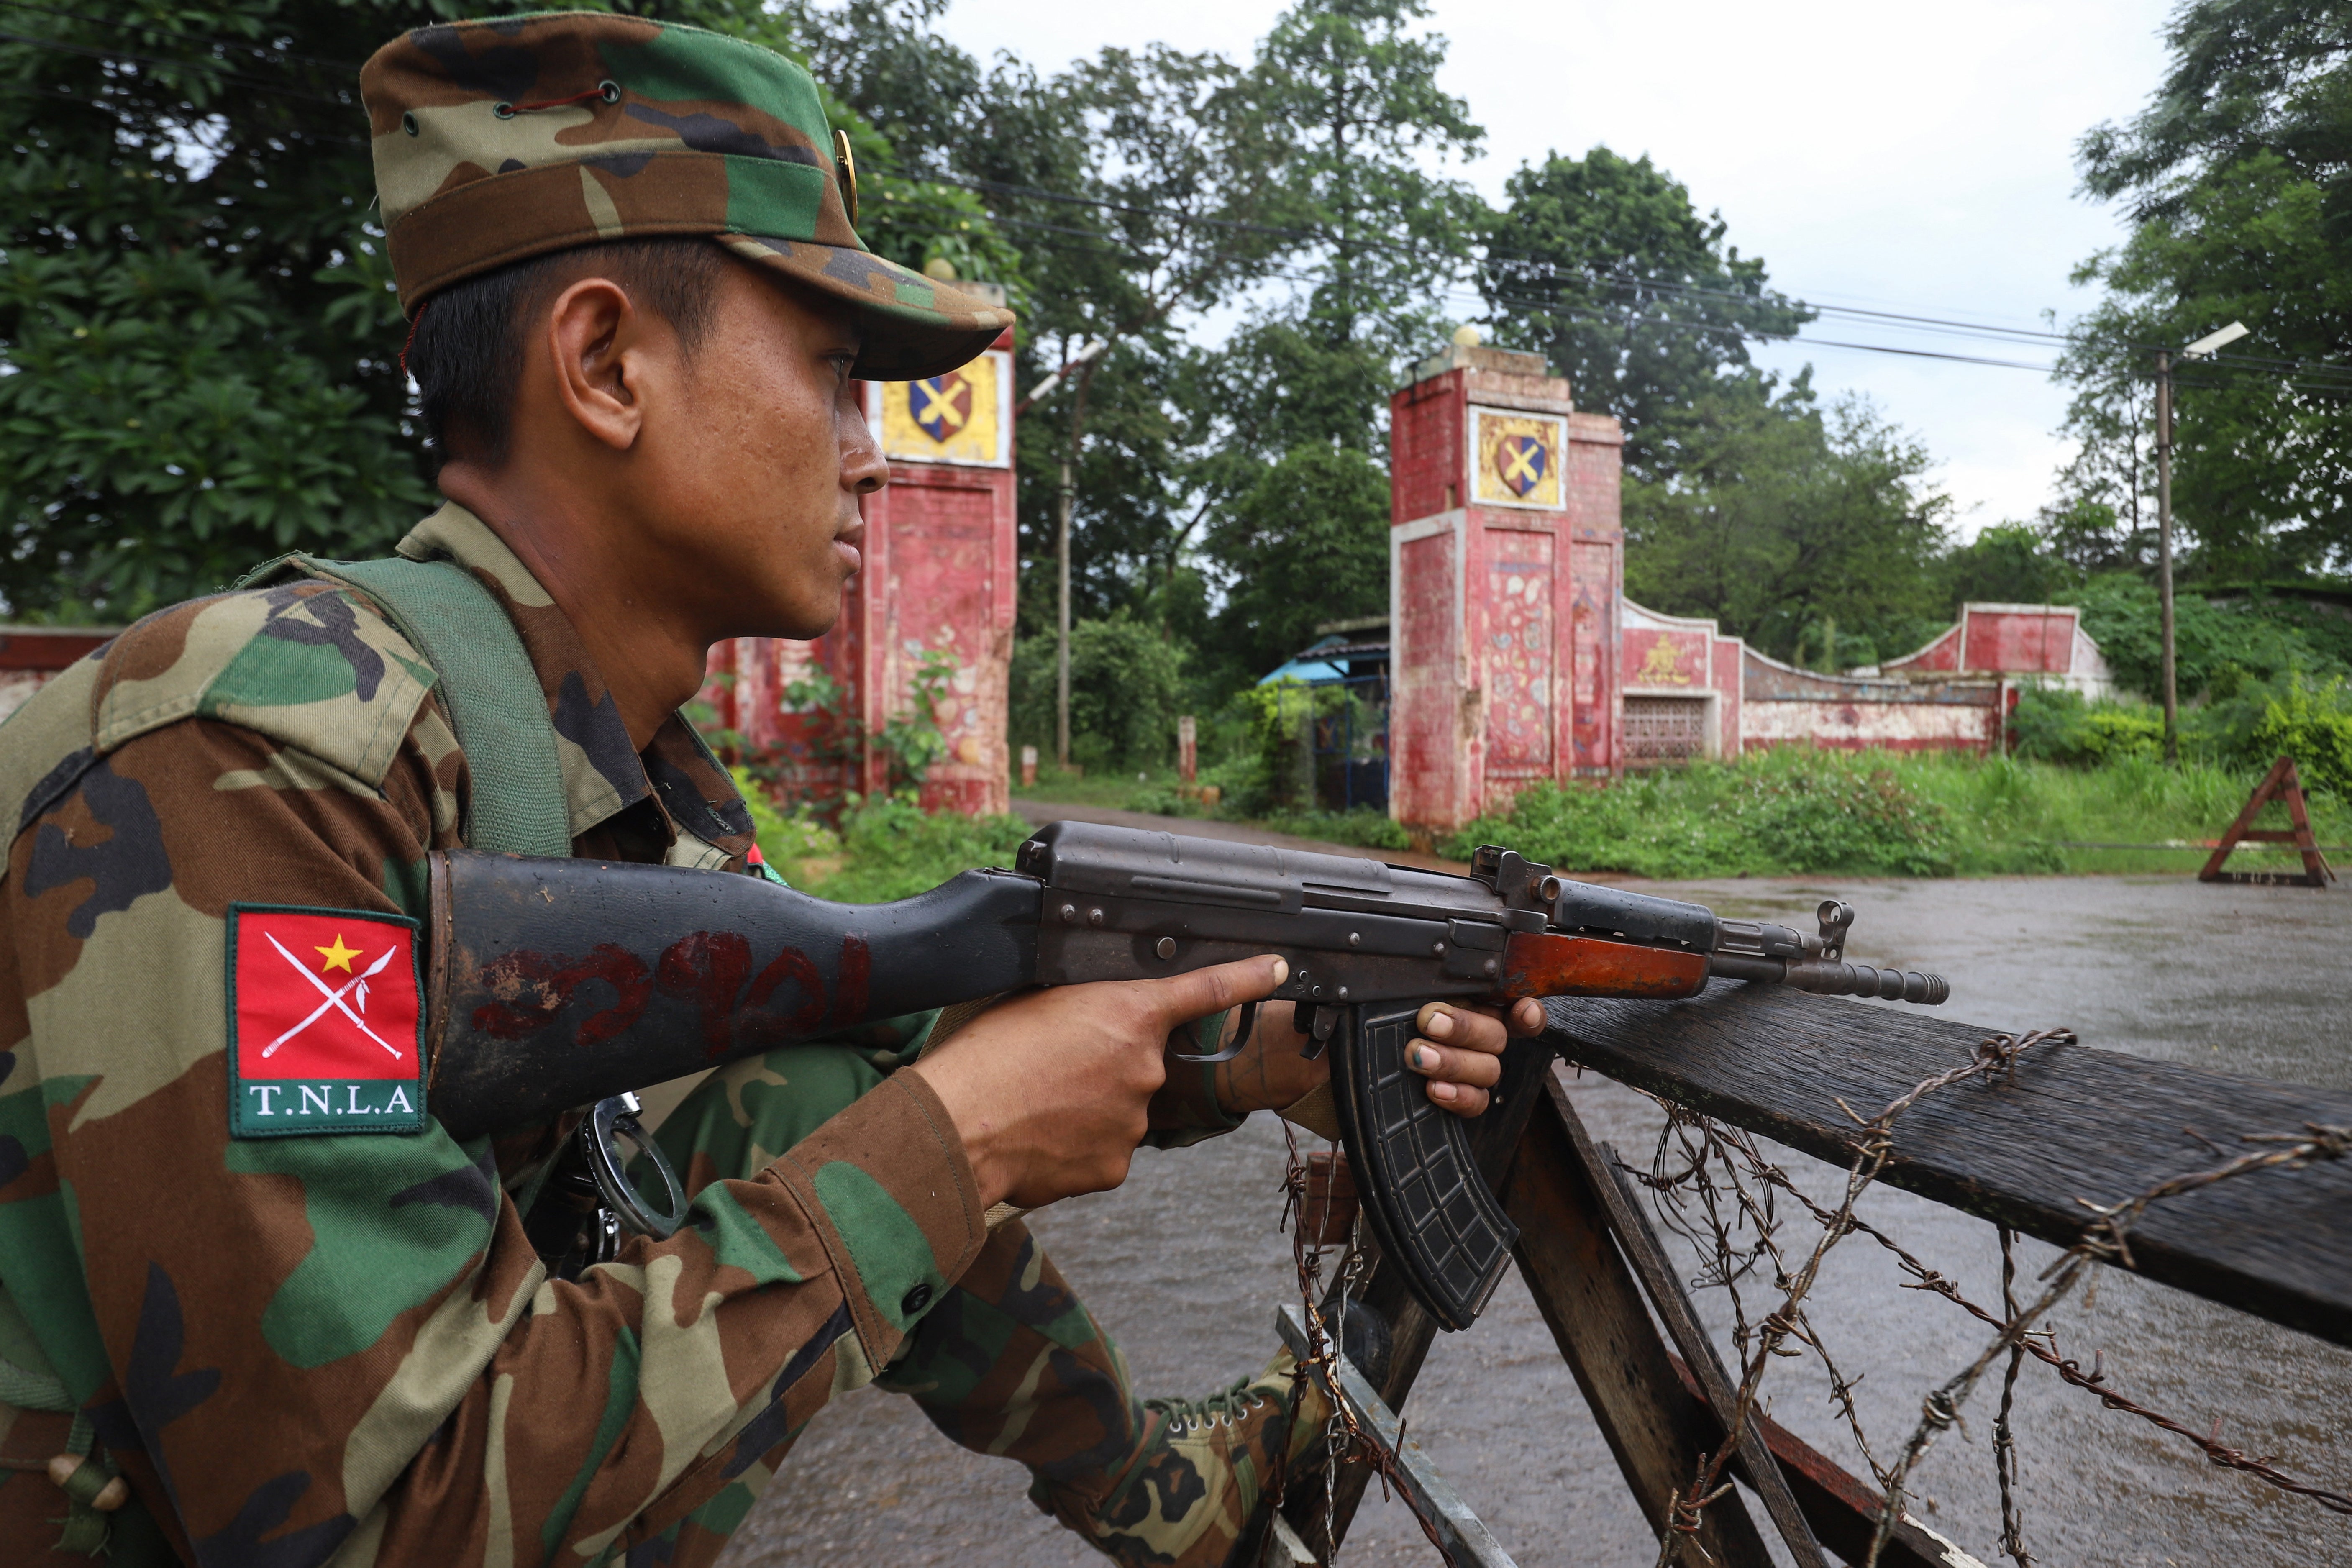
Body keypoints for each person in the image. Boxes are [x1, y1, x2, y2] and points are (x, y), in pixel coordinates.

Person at [0, 13, 1540, 1567]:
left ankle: (1156, 1489)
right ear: (605, 364)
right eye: (833, 370)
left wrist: (1253, 1050)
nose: (873, 455)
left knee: (814, 1100)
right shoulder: (254, 761)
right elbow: (390, 1516)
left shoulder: (588, 756)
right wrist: (965, 1139)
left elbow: (826, 1055)